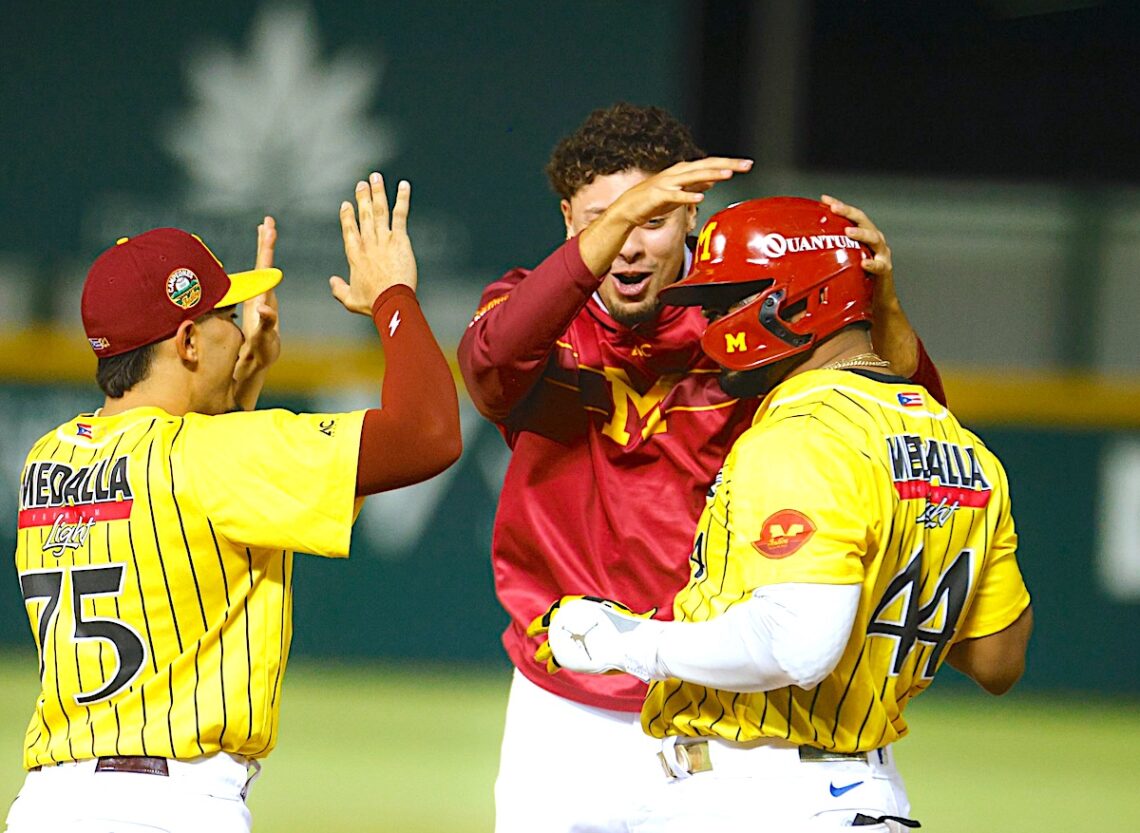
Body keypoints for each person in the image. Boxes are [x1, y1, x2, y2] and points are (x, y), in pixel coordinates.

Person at [457, 102, 946, 832]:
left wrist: (885, 307)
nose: (627, 245)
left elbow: (897, 422)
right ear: (566, 220)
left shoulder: (748, 319)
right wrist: (628, 214)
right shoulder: (528, 309)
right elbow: (490, 366)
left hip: (717, 705)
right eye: (604, 220)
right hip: (560, 702)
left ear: (692, 215)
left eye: (652, 219)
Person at [536, 196, 1033, 832]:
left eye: (725, 303)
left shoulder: (804, 433)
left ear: (800, 301)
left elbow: (797, 645)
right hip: (860, 794)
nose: (710, 325)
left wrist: (626, 642)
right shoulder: (965, 451)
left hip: (759, 795)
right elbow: (997, 660)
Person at [6, 173, 461, 833]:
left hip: (47, 804)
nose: (241, 331)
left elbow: (188, 498)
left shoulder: (48, 458)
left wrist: (237, 389)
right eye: (224, 318)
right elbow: (429, 433)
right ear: (187, 342)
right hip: (169, 807)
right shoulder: (216, 454)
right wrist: (395, 297)